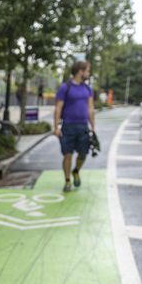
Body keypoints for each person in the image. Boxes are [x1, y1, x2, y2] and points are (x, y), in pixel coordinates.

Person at [54, 61, 94, 193]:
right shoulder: (65, 87)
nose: (88, 74)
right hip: (68, 126)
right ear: (80, 71)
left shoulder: (87, 89)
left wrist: (93, 128)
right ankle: (67, 180)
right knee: (68, 154)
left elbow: (90, 109)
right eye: (87, 71)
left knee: (83, 154)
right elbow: (58, 108)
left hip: (83, 126)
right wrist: (56, 127)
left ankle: (76, 170)